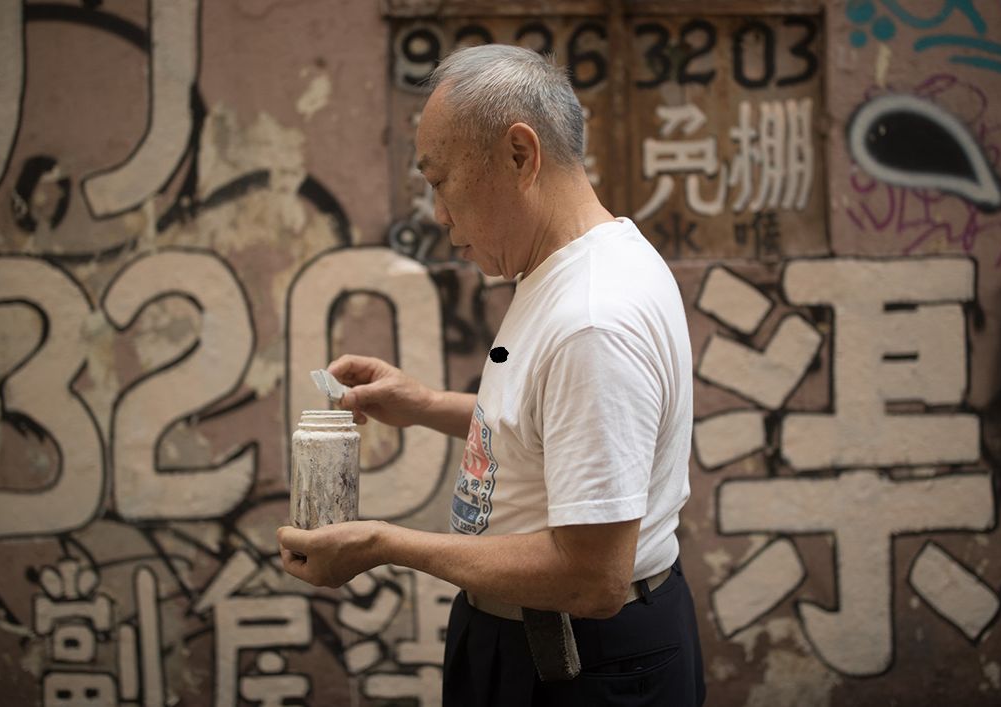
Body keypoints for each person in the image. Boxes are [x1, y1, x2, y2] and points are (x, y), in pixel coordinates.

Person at [277, 44, 705, 706]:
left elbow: (591, 578)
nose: (436, 213)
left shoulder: (594, 320)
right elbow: (547, 427)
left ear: (518, 155)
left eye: (440, 179)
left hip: (578, 663)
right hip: (525, 637)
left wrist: (383, 544)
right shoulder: (574, 265)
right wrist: (422, 403)